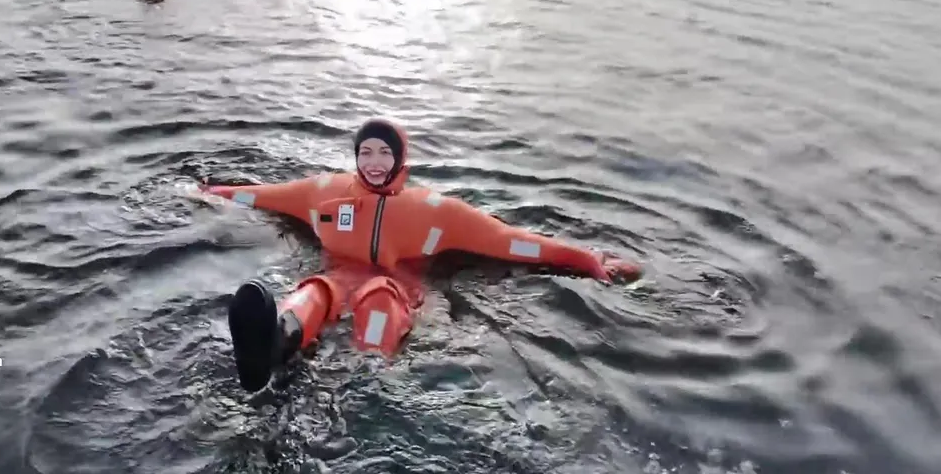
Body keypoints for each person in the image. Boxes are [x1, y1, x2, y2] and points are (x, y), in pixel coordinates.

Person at [199, 119, 644, 393]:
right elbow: (263, 196)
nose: (374, 162)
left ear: (400, 160)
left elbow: (512, 241)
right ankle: (274, 343)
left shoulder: (434, 213)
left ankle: (362, 378)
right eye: (365, 153)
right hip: (336, 280)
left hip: (398, 291)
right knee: (314, 292)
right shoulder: (325, 193)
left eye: (384, 153)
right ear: (355, 157)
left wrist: (585, 259)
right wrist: (211, 192)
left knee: (378, 300)